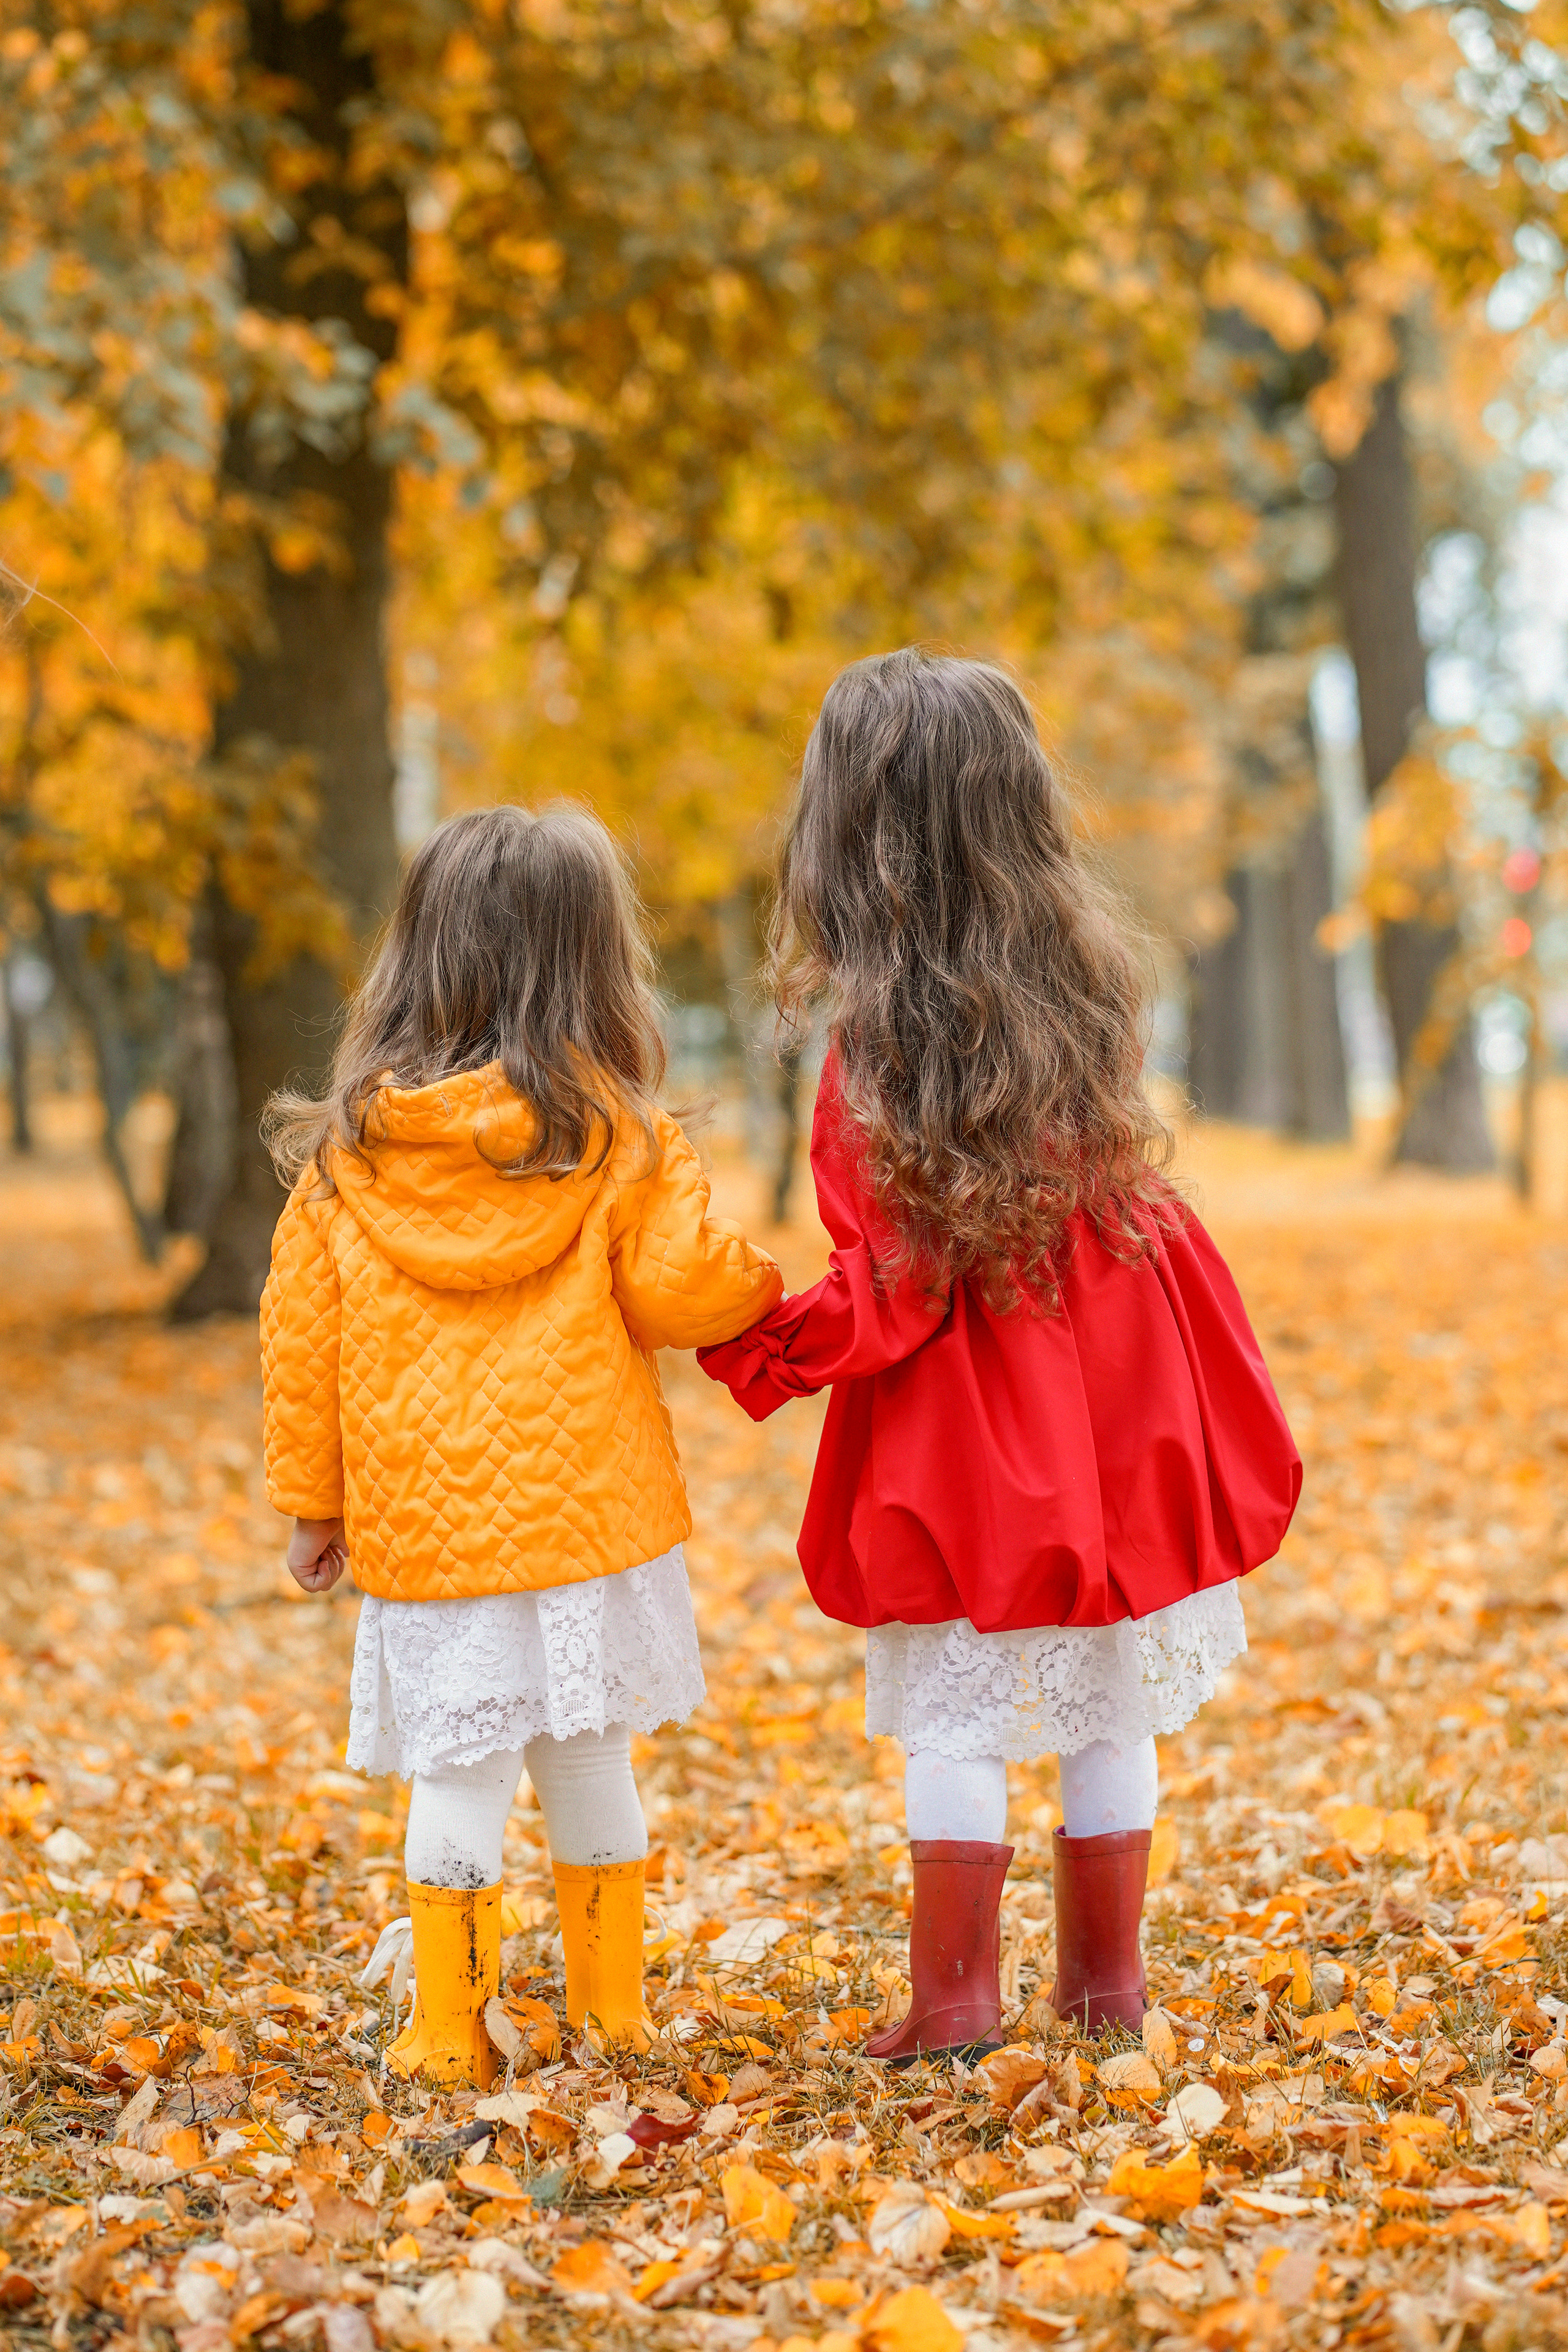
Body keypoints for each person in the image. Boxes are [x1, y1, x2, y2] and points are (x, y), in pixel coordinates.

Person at [699, 649, 1301, 2058]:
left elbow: (895, 1282)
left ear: (852, 835)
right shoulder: (1084, 982)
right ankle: (1105, 1991)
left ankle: (953, 2002)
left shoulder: (877, 1047)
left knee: (959, 1706)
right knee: (1102, 1683)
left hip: (967, 1422)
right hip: (1109, 1380)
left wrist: (765, 1346)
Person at [260, 803, 781, 2084]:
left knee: (457, 1770)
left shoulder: (349, 1158)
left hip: (428, 1529)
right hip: (586, 1520)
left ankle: (451, 2031)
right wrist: (757, 1273)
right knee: (590, 1755)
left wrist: (311, 1510)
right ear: (593, 962)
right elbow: (683, 1296)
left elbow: (299, 1349)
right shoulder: (618, 1139)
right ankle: (614, 2016)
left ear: (415, 958)